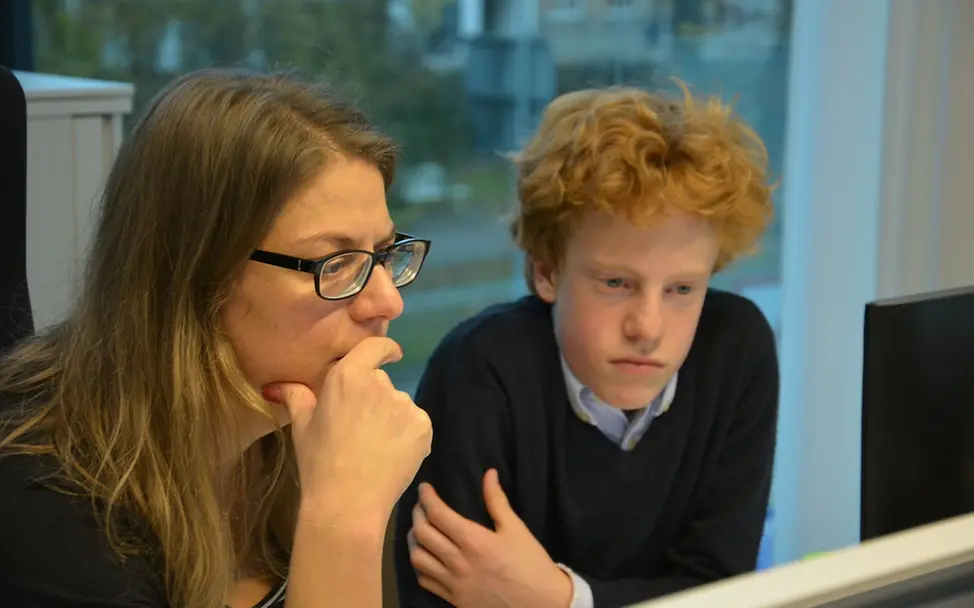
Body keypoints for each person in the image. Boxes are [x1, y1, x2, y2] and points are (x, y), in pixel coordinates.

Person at [0, 68, 434, 608]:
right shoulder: (45, 510)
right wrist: (345, 519)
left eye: (384, 254)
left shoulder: (301, 433)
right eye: (336, 262)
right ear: (195, 274)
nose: (387, 302)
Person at [394, 84, 779, 608]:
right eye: (615, 284)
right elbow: (440, 595)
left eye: (682, 289)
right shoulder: (480, 371)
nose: (647, 327)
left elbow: (724, 590)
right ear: (547, 271)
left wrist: (557, 598)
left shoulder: (736, 351)